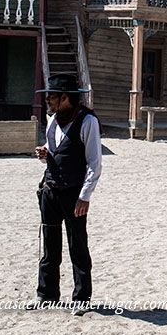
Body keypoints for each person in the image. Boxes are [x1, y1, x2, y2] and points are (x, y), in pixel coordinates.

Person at [29, 74, 102, 316]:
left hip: (74, 194)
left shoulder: (87, 122)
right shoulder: (52, 120)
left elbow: (94, 163)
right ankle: (47, 294)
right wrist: (45, 154)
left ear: (66, 98)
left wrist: (85, 196)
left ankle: (81, 298)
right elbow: (54, 150)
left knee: (78, 246)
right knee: (49, 245)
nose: (48, 100)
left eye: (52, 96)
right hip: (50, 191)